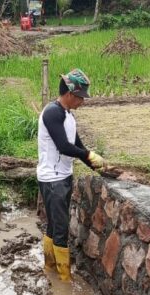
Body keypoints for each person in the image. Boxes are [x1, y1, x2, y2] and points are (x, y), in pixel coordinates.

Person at [37, 69, 105, 282]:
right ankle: (64, 280)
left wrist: (93, 163)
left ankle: (49, 267)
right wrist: (87, 154)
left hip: (62, 176)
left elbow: (76, 144)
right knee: (61, 228)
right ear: (69, 94)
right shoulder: (52, 113)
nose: (82, 102)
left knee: (54, 225)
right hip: (53, 180)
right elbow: (64, 147)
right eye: (81, 97)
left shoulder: (68, 115)